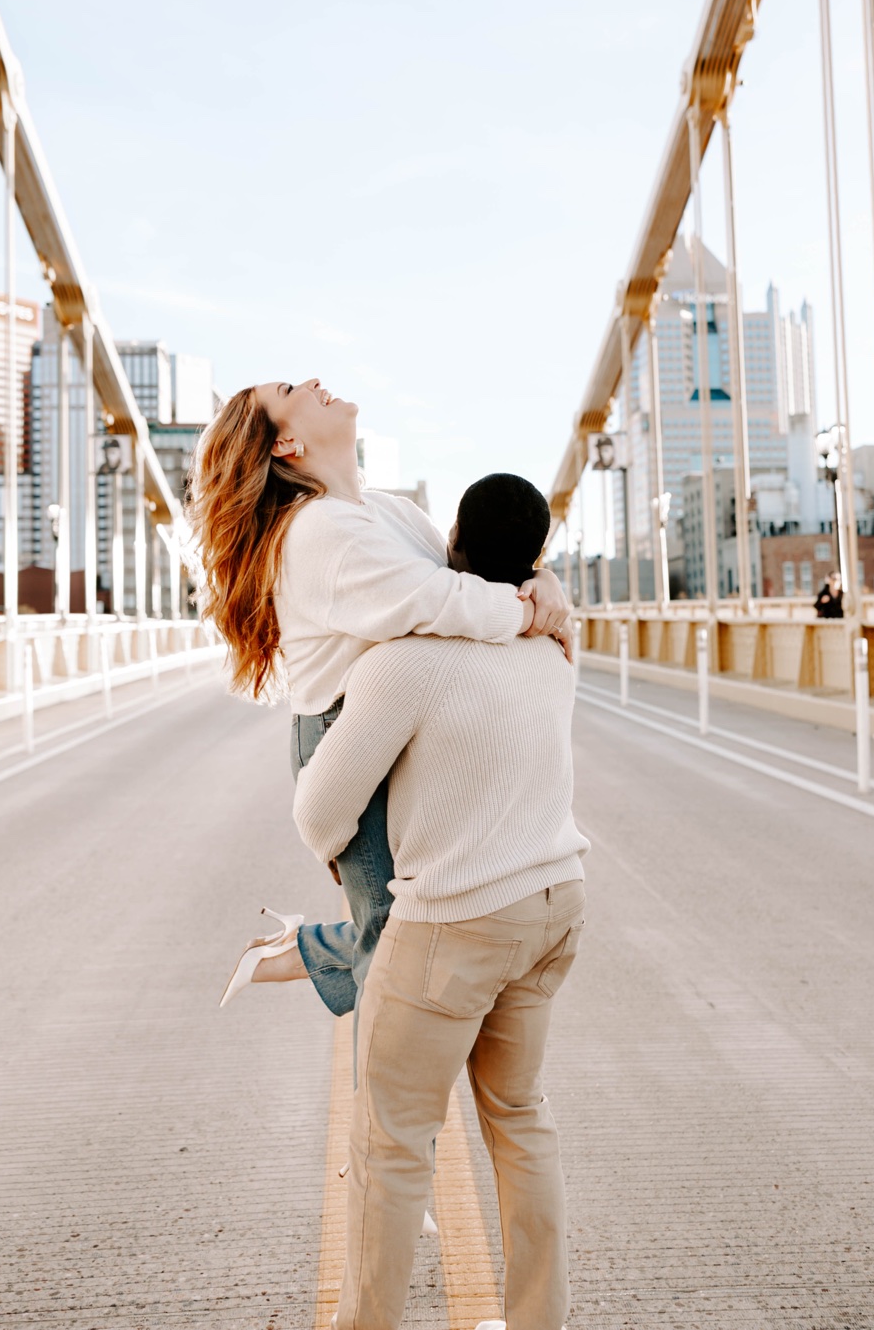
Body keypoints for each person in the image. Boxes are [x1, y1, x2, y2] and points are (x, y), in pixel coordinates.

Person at [292, 473, 588, 1330]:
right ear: (537, 558)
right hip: (555, 902)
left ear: (449, 541)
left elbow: (320, 807)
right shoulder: (556, 646)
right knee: (520, 1116)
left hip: (455, 922)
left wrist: (337, 856)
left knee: (390, 1142)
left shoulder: (404, 663)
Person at [187, 378, 570, 1015]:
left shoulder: (389, 512)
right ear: (285, 443)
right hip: (346, 738)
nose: (315, 382)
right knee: (396, 953)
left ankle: (311, 951)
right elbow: (446, 603)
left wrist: (539, 576)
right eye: (291, 389)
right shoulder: (316, 532)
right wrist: (539, 614)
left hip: (404, 720)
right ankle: (361, 1030)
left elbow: (467, 575)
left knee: (427, 922)